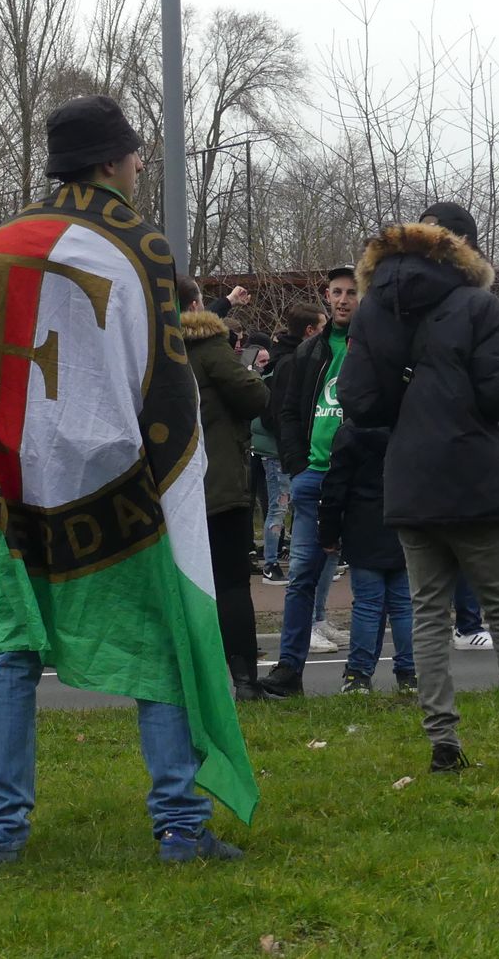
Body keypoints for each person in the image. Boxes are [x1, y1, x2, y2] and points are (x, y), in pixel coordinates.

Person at [0, 94, 255, 863]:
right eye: (133, 154)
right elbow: (161, 376)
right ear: (114, 162)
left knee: (17, 652)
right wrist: (176, 475)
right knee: (158, 642)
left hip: (24, 481)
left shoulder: (1, 244)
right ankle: (180, 826)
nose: (139, 164)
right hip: (118, 483)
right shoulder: (137, 244)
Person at [338, 202, 499, 777]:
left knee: (427, 614)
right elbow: (497, 396)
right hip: (472, 473)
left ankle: (444, 745)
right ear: (463, 245)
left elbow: (359, 401)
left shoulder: (374, 311)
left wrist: (408, 408)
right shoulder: (478, 304)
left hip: (410, 476)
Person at [259, 264, 360, 696]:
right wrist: (297, 465)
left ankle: (366, 674)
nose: (342, 300)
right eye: (336, 292)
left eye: (351, 293)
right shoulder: (307, 353)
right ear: (326, 296)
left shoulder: (375, 350)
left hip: (360, 481)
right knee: (302, 574)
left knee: (374, 577)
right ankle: (289, 669)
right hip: (312, 476)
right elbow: (283, 412)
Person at [179, 274, 271, 701]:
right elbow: (253, 398)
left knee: (188, 586)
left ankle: (194, 682)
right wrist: (250, 372)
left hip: (175, 491)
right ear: (196, 307)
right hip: (219, 483)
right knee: (232, 584)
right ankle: (245, 681)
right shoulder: (210, 348)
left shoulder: (154, 350)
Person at [318, 422, 415, 694]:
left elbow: (335, 486)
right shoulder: (407, 426)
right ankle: (409, 673)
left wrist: (328, 532)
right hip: (403, 522)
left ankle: (358, 675)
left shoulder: (350, 433)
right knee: (403, 606)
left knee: (367, 605)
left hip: (364, 525)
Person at [256, 303, 326, 584]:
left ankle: (293, 558)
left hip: (284, 450)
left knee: (289, 506)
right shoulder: (289, 363)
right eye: (322, 328)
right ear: (310, 331)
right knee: (279, 506)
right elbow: (281, 412)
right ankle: (271, 564)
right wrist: (293, 449)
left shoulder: (286, 359)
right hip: (279, 451)